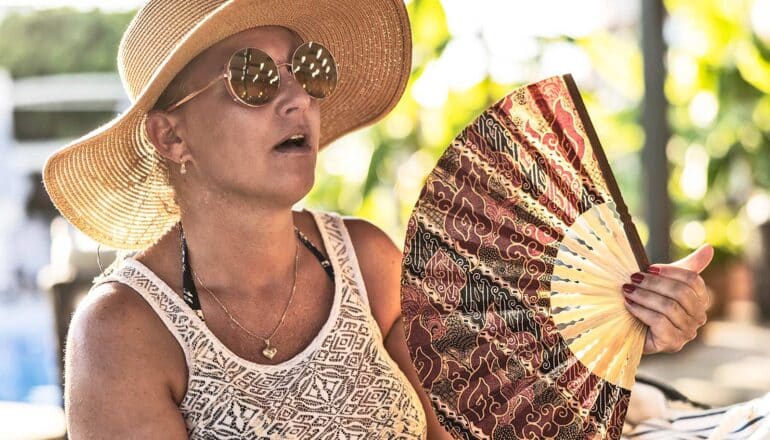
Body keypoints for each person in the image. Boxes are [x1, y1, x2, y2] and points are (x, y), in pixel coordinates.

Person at [42, 0, 712, 438]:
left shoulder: (364, 261)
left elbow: (471, 424)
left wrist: (623, 333)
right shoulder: (123, 332)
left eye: (306, 70)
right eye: (251, 77)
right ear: (171, 136)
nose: (297, 98)